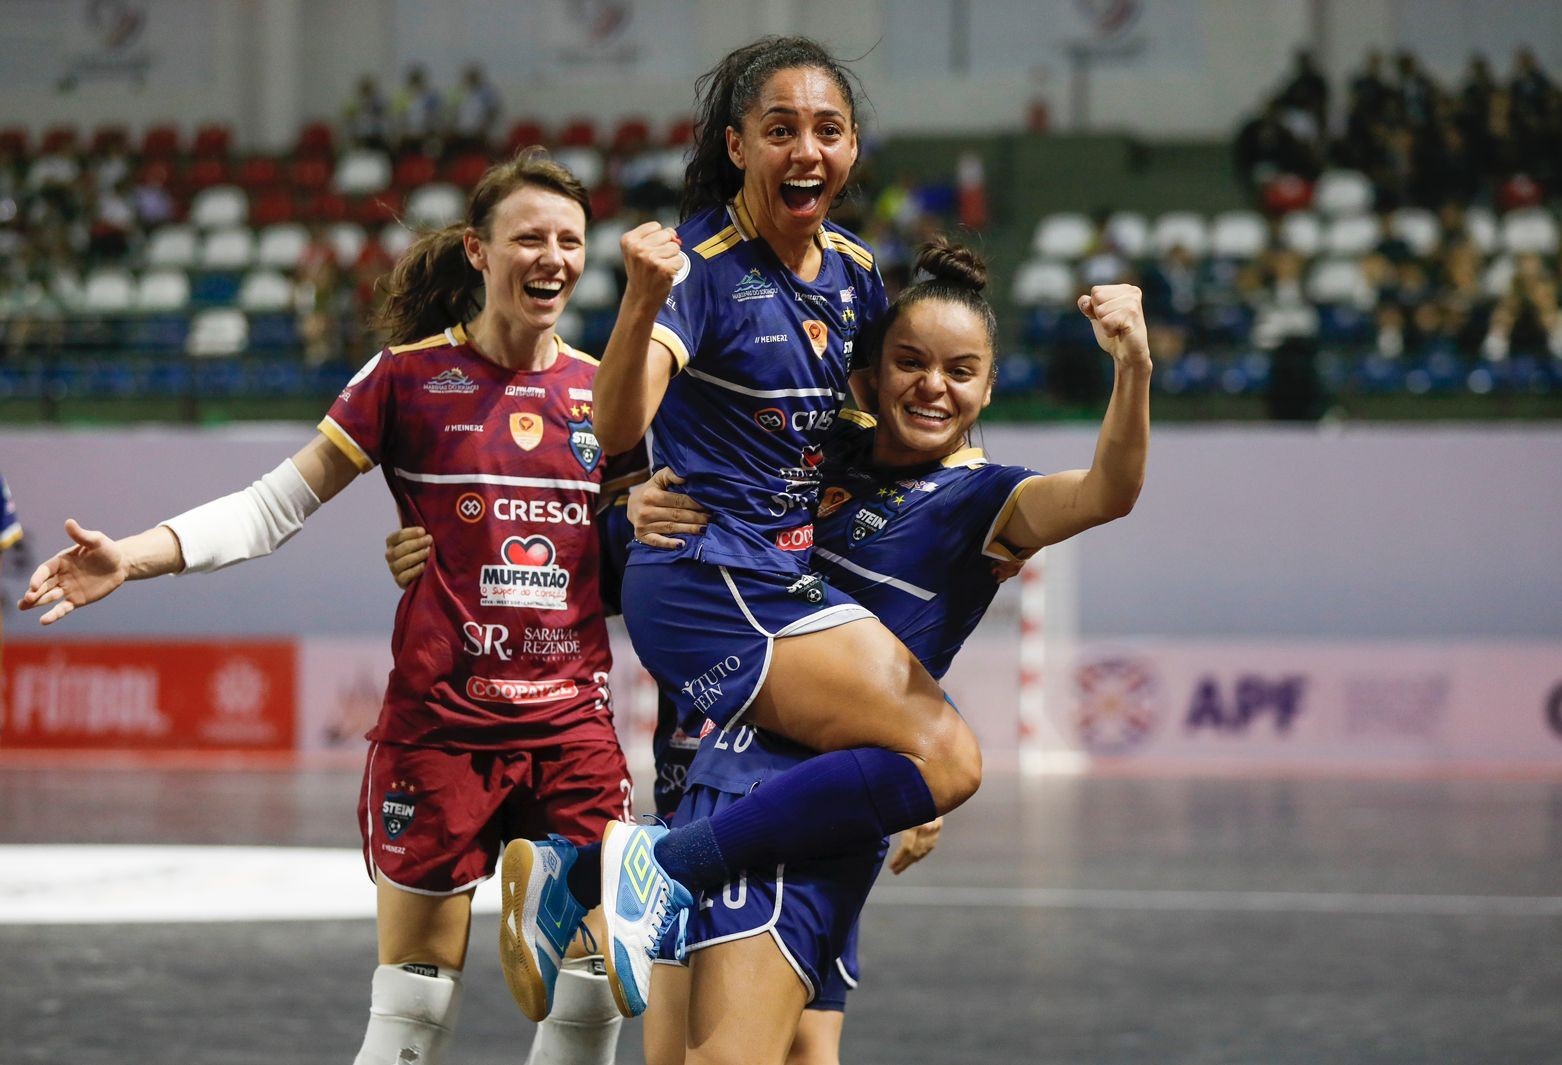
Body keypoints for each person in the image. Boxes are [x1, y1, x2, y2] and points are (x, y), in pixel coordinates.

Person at [18, 152, 633, 1065]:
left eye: (570, 241)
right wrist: (131, 558)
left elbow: (639, 553)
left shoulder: (608, 394)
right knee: (415, 1015)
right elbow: (272, 507)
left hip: (569, 726)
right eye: (529, 238)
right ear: (478, 250)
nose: (553, 257)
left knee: (592, 1000)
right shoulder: (408, 380)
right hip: (440, 728)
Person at [630, 239, 1150, 1065]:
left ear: (986, 387)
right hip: (714, 778)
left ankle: (632, 865)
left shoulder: (980, 499)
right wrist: (641, 495)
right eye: (910, 361)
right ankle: (630, 863)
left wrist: (1133, 368)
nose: (933, 386)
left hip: (789, 810)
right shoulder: (809, 459)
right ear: (869, 372)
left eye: (960, 370)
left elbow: (1107, 492)